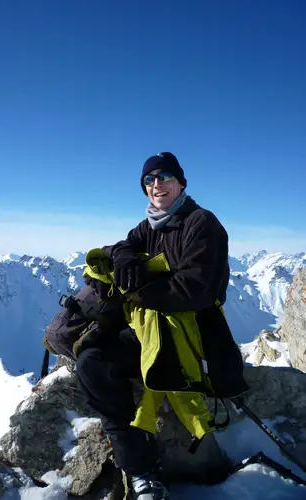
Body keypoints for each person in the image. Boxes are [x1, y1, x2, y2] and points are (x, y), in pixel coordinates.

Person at [76, 152, 246, 500]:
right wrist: (123, 256)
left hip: (193, 334)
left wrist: (135, 290)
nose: (156, 184)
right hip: (151, 329)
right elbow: (124, 245)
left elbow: (194, 290)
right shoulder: (149, 226)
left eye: (164, 176)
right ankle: (139, 468)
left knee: (157, 366)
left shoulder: (201, 223)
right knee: (92, 362)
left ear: (181, 182)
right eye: (149, 180)